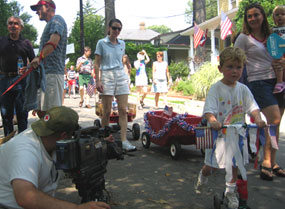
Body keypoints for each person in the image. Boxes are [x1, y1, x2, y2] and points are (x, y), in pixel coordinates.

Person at [194, 47, 266, 209]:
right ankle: (202, 177)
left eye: (238, 67)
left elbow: (253, 107)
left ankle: (230, 193)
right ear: (220, 69)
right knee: (211, 166)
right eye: (230, 67)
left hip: (237, 135)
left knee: (234, 166)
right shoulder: (216, 89)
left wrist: (259, 118)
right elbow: (209, 110)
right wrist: (212, 120)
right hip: (219, 136)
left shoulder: (243, 89)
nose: (235, 71)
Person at [0, 106, 110, 209]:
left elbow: (80, 144)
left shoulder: (54, 141)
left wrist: (99, 143)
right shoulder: (25, 151)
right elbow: (25, 197)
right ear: (63, 136)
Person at [234, 3, 285, 181]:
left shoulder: (273, 35)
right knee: (274, 119)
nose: (253, 18)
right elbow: (236, 61)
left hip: (278, 81)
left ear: (263, 16)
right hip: (258, 82)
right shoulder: (243, 38)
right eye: (249, 16)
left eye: (256, 15)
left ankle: (273, 162)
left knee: (275, 124)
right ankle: (266, 162)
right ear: (247, 20)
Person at [94, 19, 136, 151]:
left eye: (119, 29)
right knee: (106, 111)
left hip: (120, 75)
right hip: (106, 75)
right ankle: (105, 140)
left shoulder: (122, 43)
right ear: (109, 28)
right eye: (114, 28)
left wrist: (126, 75)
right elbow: (97, 63)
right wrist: (98, 81)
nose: (116, 31)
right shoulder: (101, 43)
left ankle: (124, 141)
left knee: (123, 110)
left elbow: (121, 60)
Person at [29, 0, 67, 118]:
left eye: (39, 8)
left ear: (48, 7)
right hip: (46, 74)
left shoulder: (57, 20)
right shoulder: (51, 23)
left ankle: (56, 137)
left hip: (53, 74)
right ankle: (47, 136)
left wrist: (38, 57)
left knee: (52, 115)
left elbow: (53, 42)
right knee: (42, 112)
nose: (37, 12)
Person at [0, 16, 35, 136]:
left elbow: (34, 62)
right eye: (10, 23)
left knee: (22, 113)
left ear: (20, 27)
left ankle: (22, 141)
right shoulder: (1, 41)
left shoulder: (26, 43)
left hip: (21, 81)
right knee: (6, 114)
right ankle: (8, 141)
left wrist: (28, 67)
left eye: (15, 24)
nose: (12, 26)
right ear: (7, 26)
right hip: (4, 80)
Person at [272, 5, 285, 94]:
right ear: (274, 18)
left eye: (283, 14)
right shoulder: (273, 30)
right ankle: (280, 82)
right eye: (277, 15)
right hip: (278, 52)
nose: (280, 16)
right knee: (278, 63)